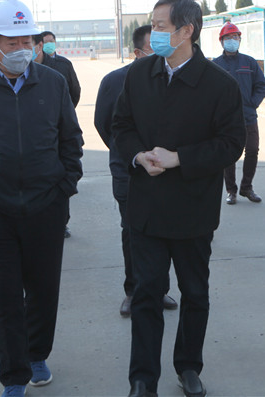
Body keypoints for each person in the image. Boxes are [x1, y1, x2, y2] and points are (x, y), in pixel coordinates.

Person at [112, 0, 245, 397]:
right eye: (153, 25)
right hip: (146, 209)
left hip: (193, 211)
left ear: (187, 31)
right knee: (146, 294)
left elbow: (231, 144)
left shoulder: (219, 85)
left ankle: (188, 366)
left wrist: (180, 158)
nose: (154, 33)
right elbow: (121, 126)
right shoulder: (139, 74)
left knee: (195, 293)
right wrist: (138, 155)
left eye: (161, 26)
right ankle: (142, 378)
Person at [0, 0, 84, 396]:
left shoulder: (52, 83)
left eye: (27, 41)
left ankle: (37, 355)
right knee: (3, 296)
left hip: (46, 207)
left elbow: (71, 139)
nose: (21, 50)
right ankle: (14, 375)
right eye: (11, 43)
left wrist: (64, 186)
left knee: (43, 290)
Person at [93, 25, 178, 317]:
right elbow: (104, 124)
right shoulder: (115, 81)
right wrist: (130, 153)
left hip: (166, 170)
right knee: (132, 231)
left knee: (164, 230)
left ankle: (159, 288)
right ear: (137, 53)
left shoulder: (172, 78)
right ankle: (133, 290)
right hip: (127, 171)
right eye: (154, 48)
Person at [212, 22, 265, 205]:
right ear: (221, 41)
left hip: (248, 116)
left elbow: (261, 85)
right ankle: (231, 190)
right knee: (229, 155)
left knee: (252, 150)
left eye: (235, 37)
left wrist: (253, 102)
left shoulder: (249, 62)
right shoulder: (215, 65)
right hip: (226, 120)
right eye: (228, 37)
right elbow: (209, 91)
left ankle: (247, 187)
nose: (232, 40)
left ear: (240, 40)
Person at [34, 30, 81, 238]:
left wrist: (64, 112)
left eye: (51, 42)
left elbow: (75, 91)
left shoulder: (63, 65)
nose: (48, 45)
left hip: (60, 124)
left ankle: (62, 223)